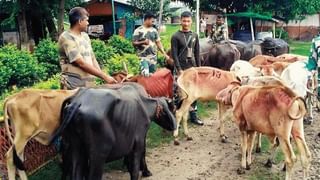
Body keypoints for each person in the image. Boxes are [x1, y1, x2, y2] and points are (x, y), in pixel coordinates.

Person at [58, 7, 117, 90]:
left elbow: (93, 59)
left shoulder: (85, 36)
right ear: (79, 21)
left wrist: (103, 76)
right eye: (86, 20)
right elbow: (80, 63)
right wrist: (104, 77)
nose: (88, 23)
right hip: (74, 86)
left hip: (89, 85)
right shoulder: (66, 37)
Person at [171, 11, 203, 126]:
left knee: (194, 92)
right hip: (181, 69)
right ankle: (177, 119)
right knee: (179, 93)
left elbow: (197, 53)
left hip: (192, 68)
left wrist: (199, 69)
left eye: (188, 21)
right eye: (184, 20)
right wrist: (179, 69)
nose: (186, 23)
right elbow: (174, 55)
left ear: (191, 21)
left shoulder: (194, 35)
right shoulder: (175, 36)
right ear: (180, 21)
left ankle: (193, 116)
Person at [132, 11, 170, 77]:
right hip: (143, 57)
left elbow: (158, 43)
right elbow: (133, 43)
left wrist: (164, 54)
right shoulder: (138, 30)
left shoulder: (154, 30)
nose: (153, 23)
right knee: (145, 75)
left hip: (153, 58)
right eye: (152, 21)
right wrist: (143, 42)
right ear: (147, 19)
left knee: (153, 76)